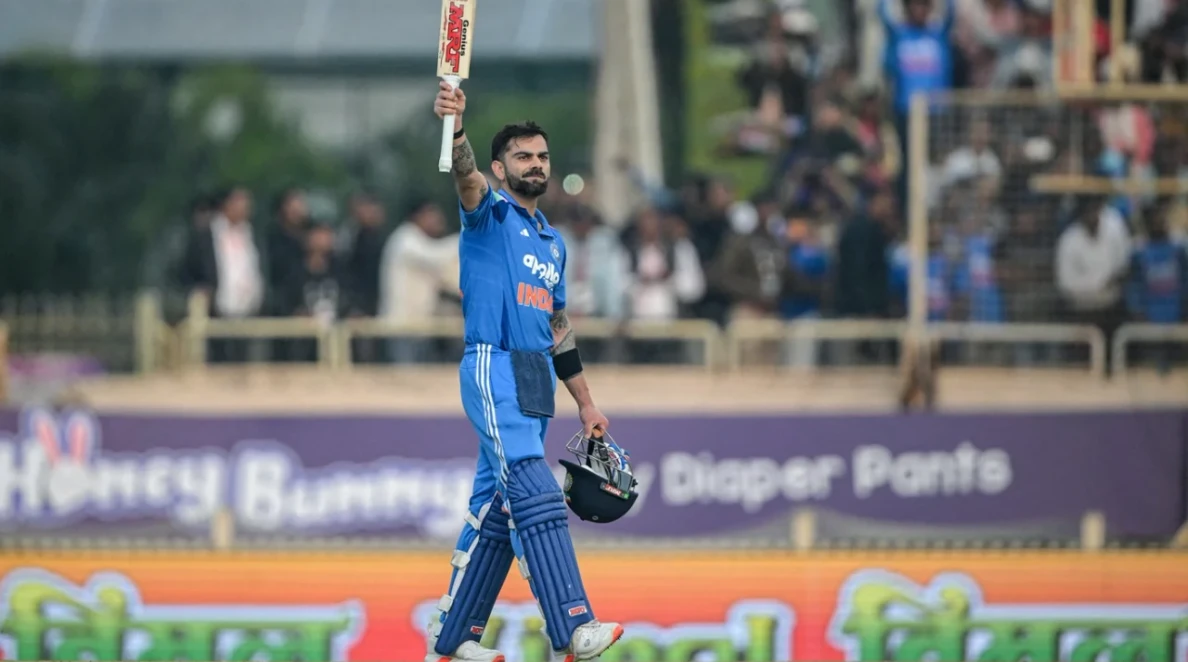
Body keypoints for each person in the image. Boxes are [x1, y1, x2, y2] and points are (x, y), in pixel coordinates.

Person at [426, 81, 623, 662]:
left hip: (537, 379)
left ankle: (453, 639)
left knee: (496, 508)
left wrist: (585, 402)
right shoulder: (488, 214)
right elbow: (464, 177)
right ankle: (572, 626)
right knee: (535, 489)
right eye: (522, 157)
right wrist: (456, 128)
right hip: (494, 363)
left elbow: (558, 327)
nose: (535, 164)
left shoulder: (553, 242)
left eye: (541, 156)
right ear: (500, 167)